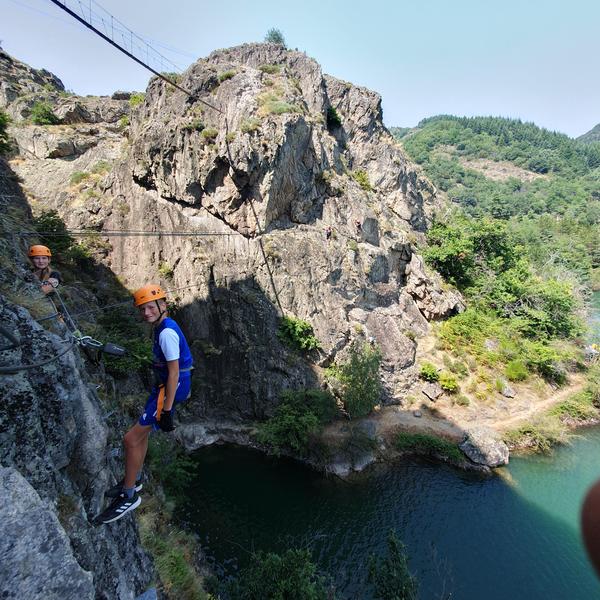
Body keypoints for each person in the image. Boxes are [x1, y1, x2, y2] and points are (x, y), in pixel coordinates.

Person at [94, 284, 194, 525]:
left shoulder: (166, 333)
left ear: (163, 306)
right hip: (166, 387)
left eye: (150, 307)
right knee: (141, 437)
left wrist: (167, 410)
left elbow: (173, 373)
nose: (146, 313)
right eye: (142, 309)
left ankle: (129, 496)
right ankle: (134, 478)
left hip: (170, 387)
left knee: (130, 439)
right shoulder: (163, 326)